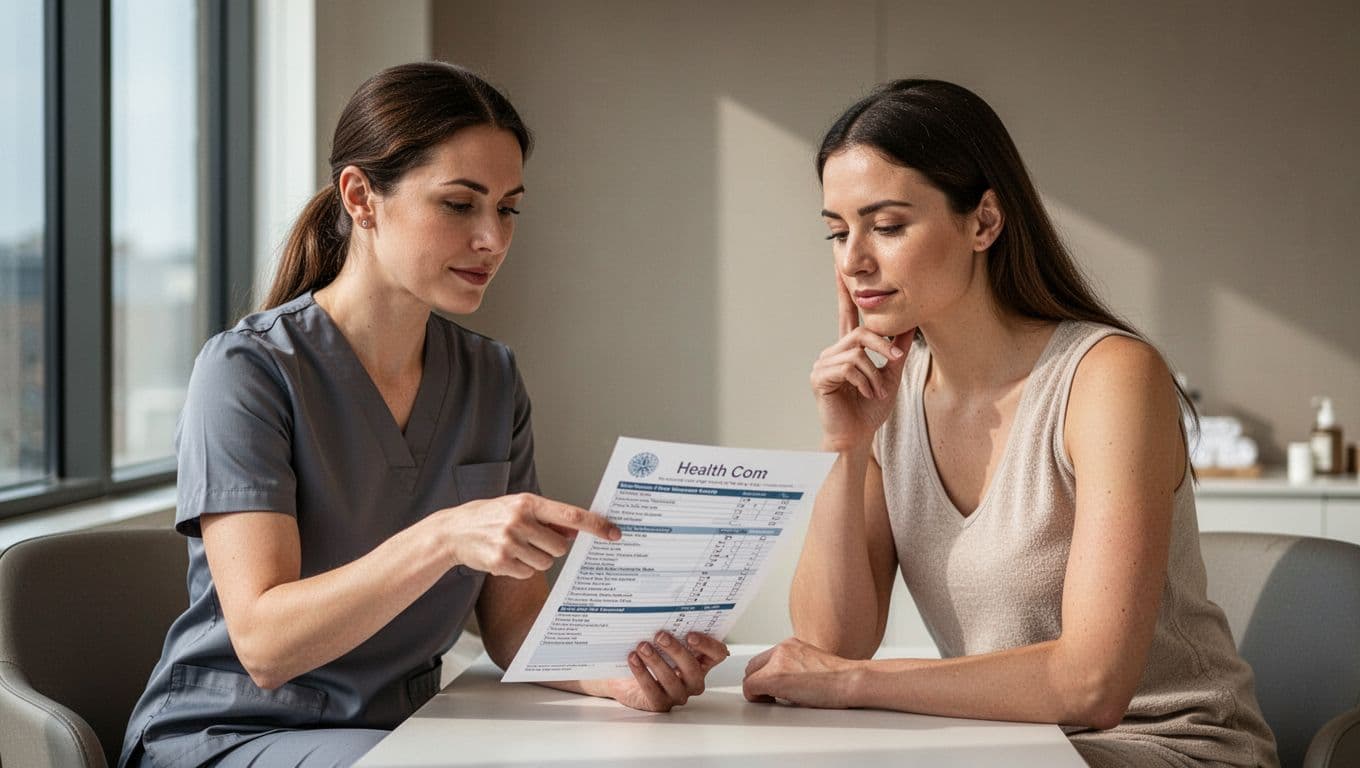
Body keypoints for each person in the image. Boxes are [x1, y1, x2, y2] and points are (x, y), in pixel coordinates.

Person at [119, 62, 729, 768]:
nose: (492, 240)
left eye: (507, 208)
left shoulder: (490, 378)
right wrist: (444, 537)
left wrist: (619, 679)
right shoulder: (247, 372)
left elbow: (513, 622)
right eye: (459, 204)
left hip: (406, 735)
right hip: (235, 735)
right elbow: (264, 644)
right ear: (361, 196)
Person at [741, 79, 1278, 767]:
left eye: (888, 225)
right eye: (837, 232)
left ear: (984, 222)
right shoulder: (891, 398)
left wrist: (852, 683)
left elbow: (1092, 685)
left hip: (1163, 746)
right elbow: (831, 642)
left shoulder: (1108, 377)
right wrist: (846, 446)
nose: (854, 261)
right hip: (1008, 747)